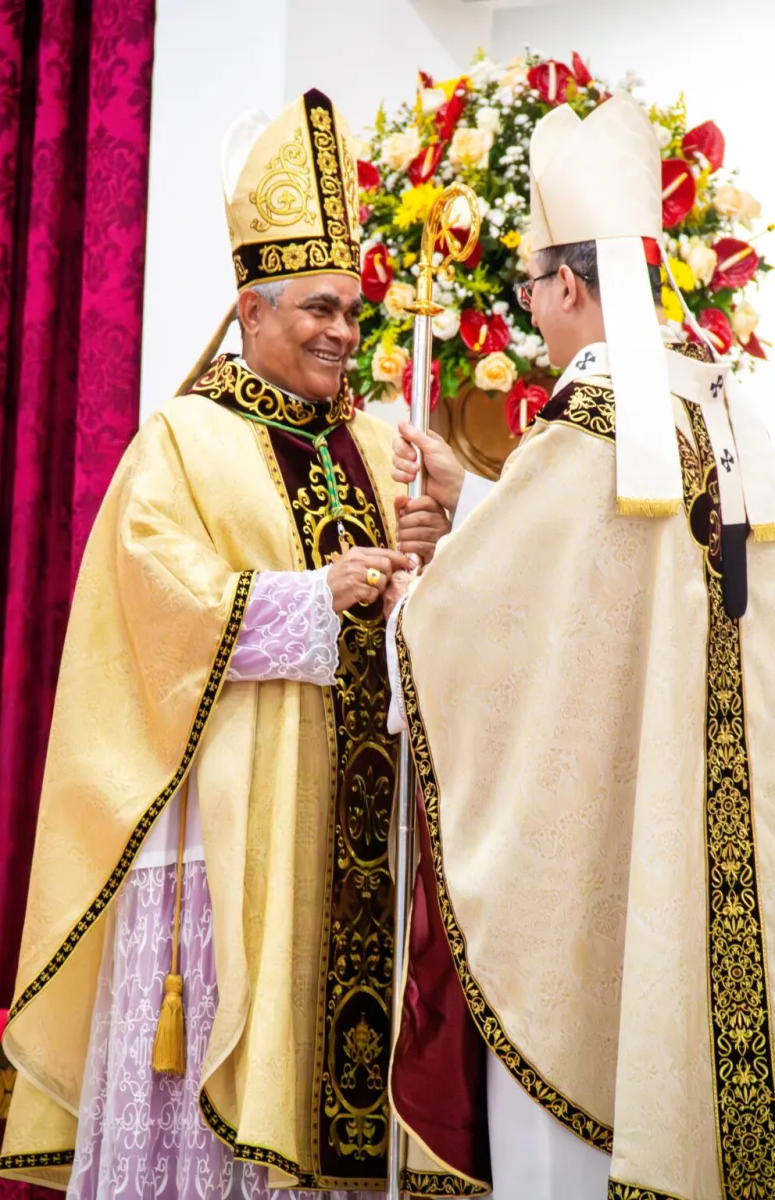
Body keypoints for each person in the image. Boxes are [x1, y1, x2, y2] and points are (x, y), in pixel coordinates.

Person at [0, 89, 449, 1199]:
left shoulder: (376, 440)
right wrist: (307, 597)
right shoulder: (186, 438)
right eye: (314, 308)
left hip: (353, 831)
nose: (341, 332)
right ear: (249, 311)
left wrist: (440, 539)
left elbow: (422, 631)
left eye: (350, 310)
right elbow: (152, 607)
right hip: (226, 827)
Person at [386, 92, 775, 1200]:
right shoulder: (722, 416)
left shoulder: (582, 435)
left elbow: (476, 632)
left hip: (598, 881)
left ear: (566, 282)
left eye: (529, 288)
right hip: (720, 864)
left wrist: (410, 593)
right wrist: (478, 499)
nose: (529, 313)